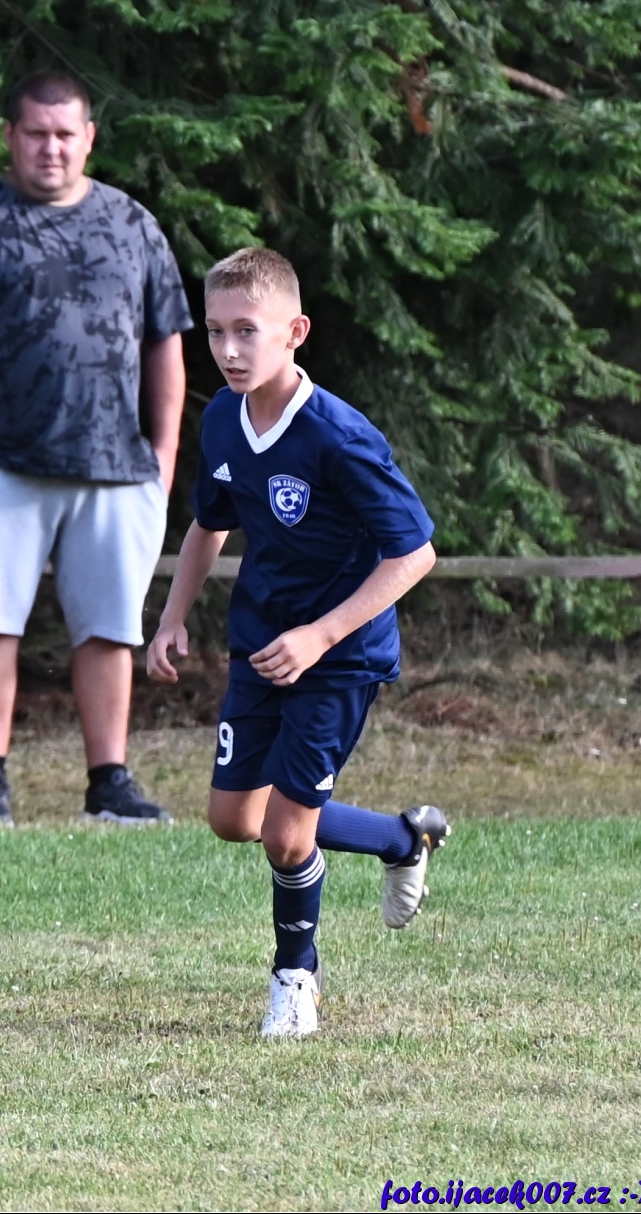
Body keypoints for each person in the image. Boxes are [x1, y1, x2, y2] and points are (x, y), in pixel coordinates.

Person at [146, 246, 450, 1038]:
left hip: (339, 655)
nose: (229, 349)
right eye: (216, 331)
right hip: (261, 643)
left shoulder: (338, 436)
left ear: (295, 332)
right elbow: (210, 523)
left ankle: (295, 979)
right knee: (232, 818)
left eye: (247, 330)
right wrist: (172, 616)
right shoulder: (223, 417)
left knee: (285, 836)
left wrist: (321, 633)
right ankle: (400, 837)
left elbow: (414, 553)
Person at [0, 69, 192, 826]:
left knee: (110, 630)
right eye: (36, 133)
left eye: (65, 134)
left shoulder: (133, 224)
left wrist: (164, 454)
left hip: (116, 466)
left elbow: (166, 339)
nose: (51, 149)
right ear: (11, 137)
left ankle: (109, 783)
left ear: (89, 138)